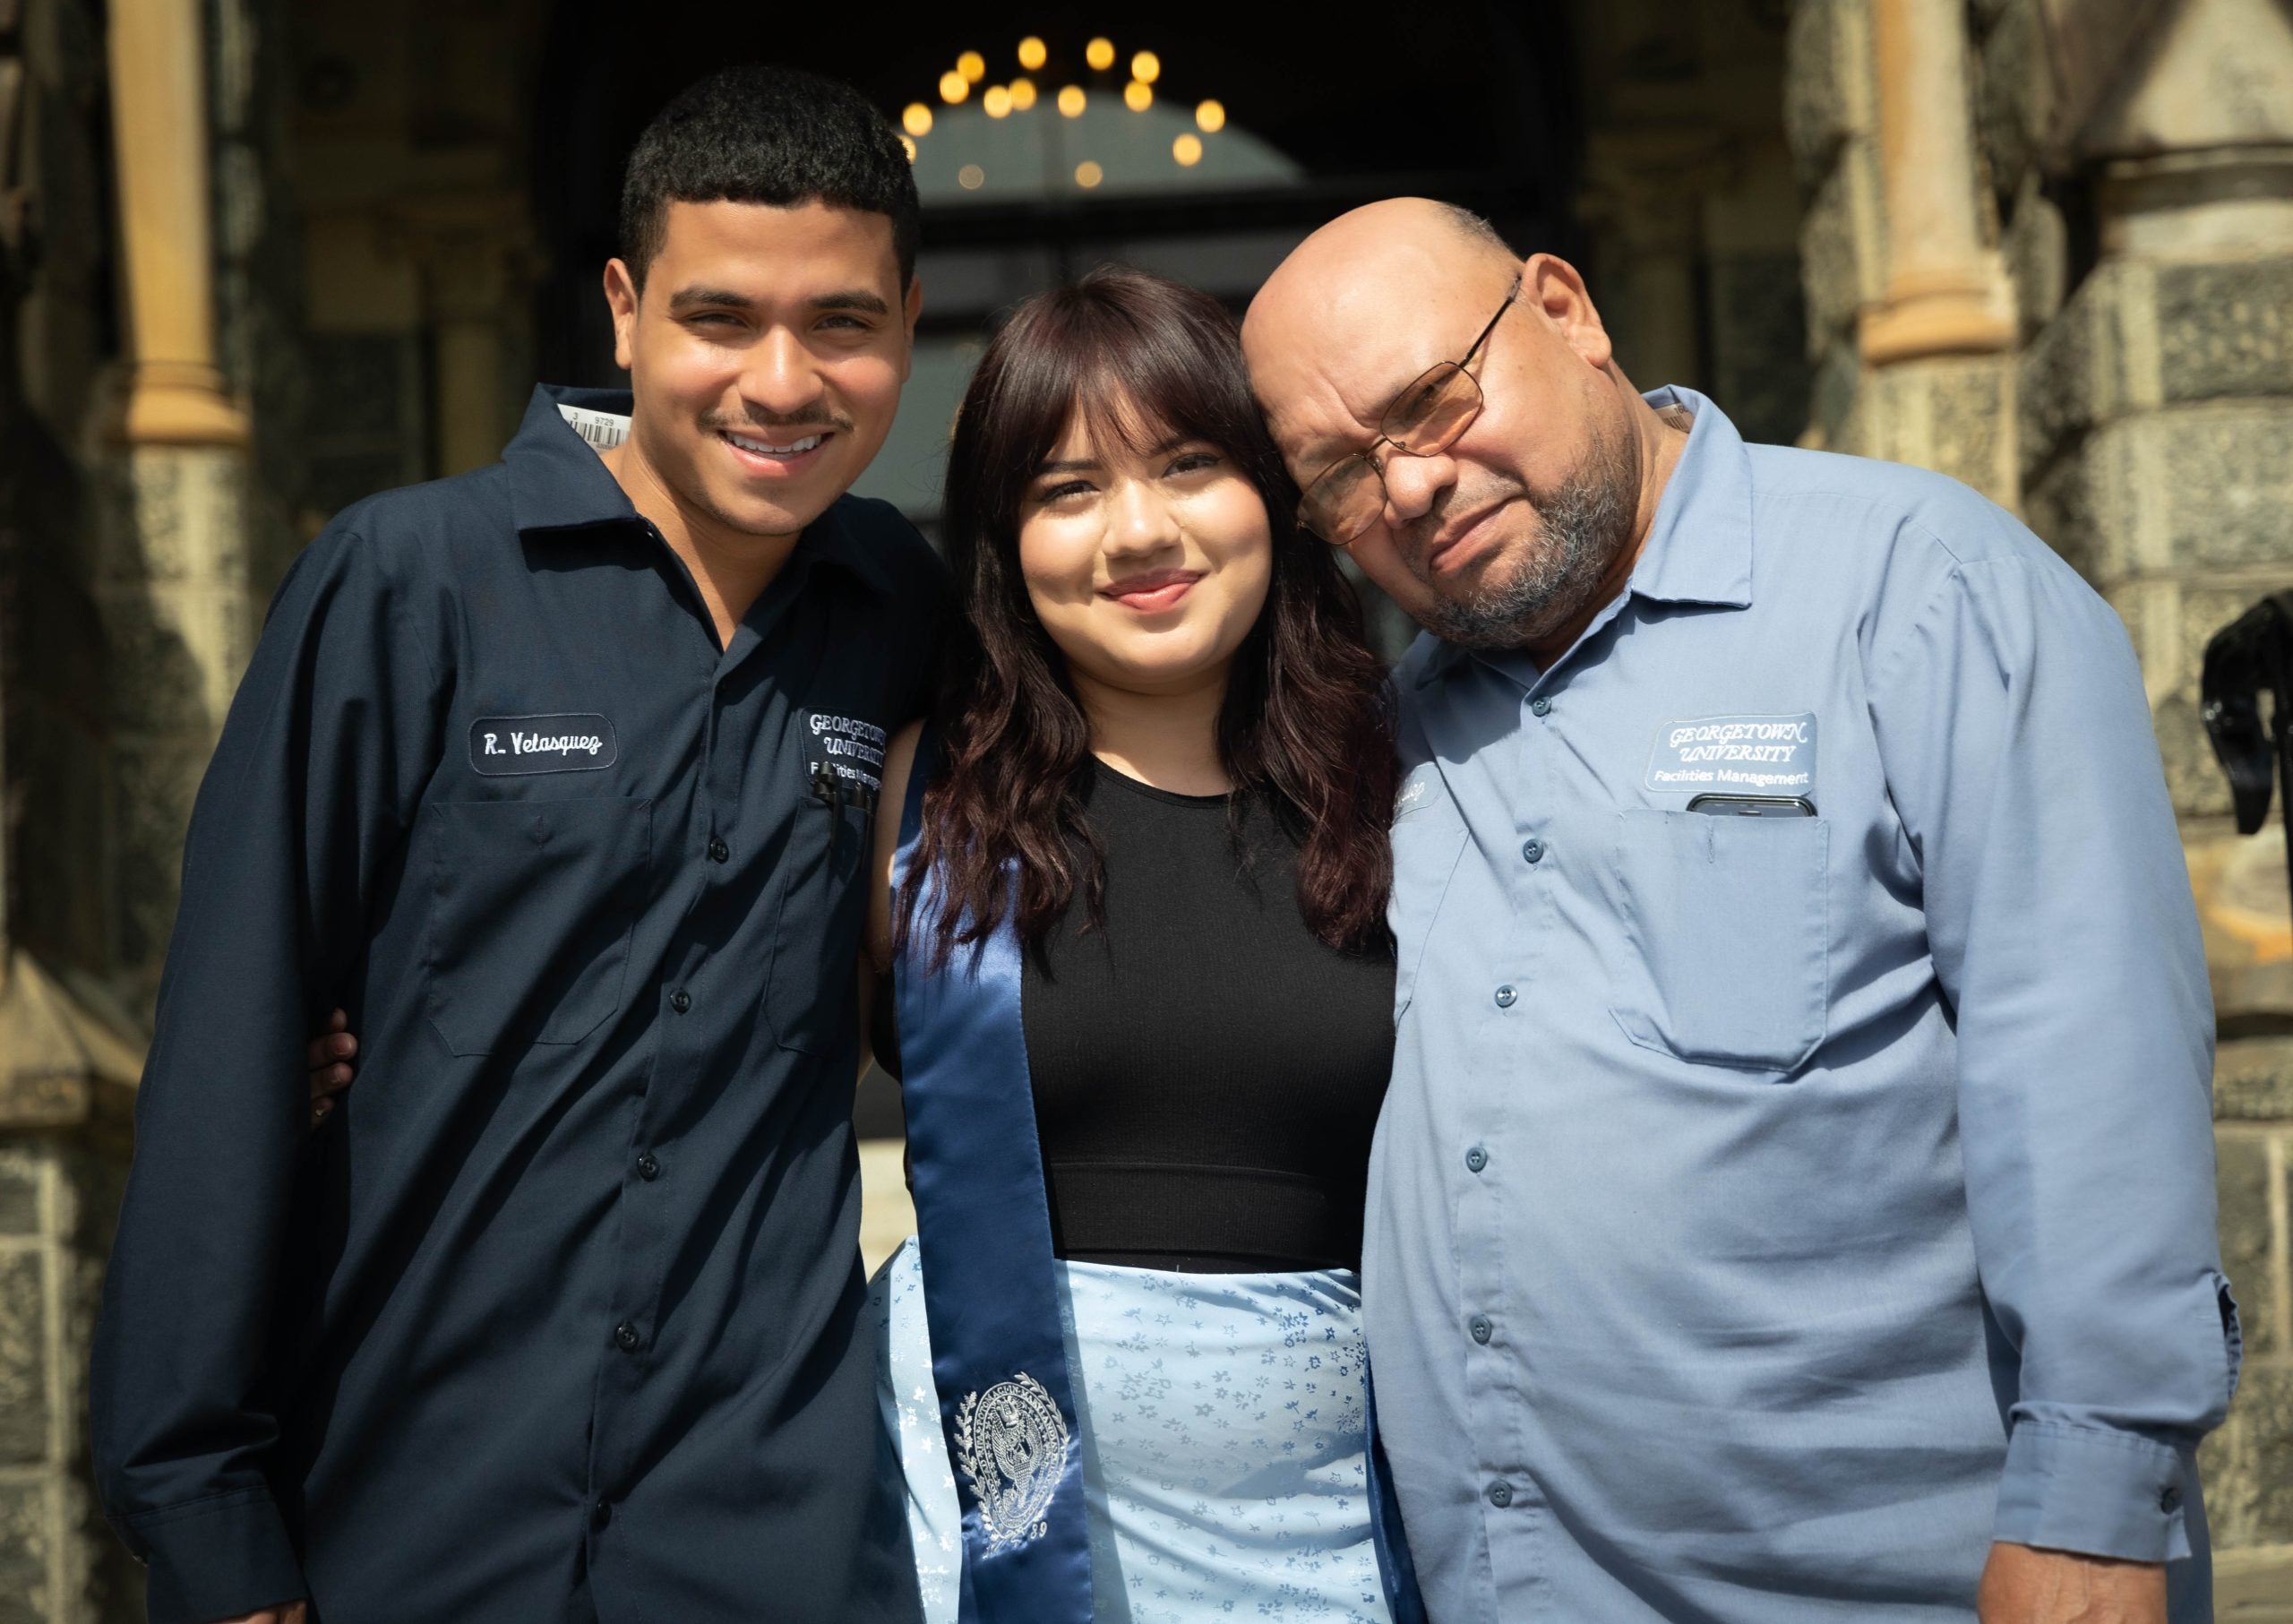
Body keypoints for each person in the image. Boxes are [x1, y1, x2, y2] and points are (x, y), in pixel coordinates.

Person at [1239, 199, 2238, 1624]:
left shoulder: (1919, 593)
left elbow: (2096, 1067)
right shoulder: (1394, 739)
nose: (1409, 489)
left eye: (1433, 402)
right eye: (1342, 472)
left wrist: (2094, 1510)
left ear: (1567, 309)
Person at [90, 67, 944, 1624]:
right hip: (401, 1516)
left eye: (842, 322)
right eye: (718, 316)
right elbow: (232, 1037)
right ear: (623, 308)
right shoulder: (409, 582)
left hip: (772, 1533)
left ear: (906, 322)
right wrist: (202, 1508)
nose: (781, 379)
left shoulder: (904, 613)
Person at [862, 267, 1409, 1622]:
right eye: (1067, 490)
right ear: (1005, 540)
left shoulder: (1417, 784)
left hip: (1351, 1532)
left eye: (1187, 464)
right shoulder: (921, 804)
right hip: (996, 1534)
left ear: (1274, 499)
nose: (1138, 532)